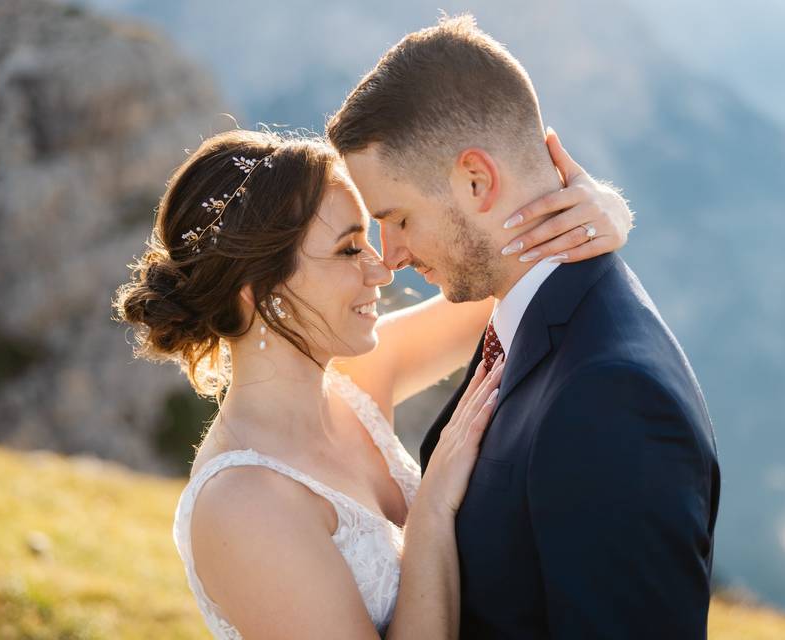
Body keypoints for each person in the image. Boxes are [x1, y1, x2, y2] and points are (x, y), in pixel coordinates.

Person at [113, 124, 630, 637]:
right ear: (257, 289)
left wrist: (601, 210)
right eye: (348, 249)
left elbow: (519, 272)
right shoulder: (242, 505)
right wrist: (431, 511)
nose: (382, 271)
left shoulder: (357, 378)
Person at [326, 15, 721, 639]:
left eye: (397, 218)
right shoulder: (521, 316)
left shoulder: (612, 396)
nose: (389, 254)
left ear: (477, 180)